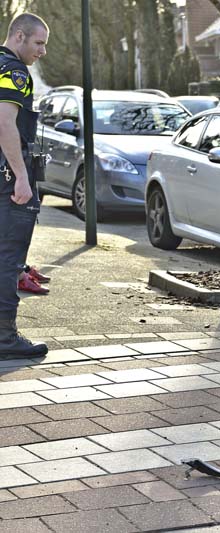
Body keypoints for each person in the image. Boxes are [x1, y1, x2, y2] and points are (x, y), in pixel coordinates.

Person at [0, 13, 49, 357]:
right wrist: (20, 176)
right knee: (8, 259)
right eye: (39, 42)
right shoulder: (14, 71)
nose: (42, 51)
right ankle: (4, 339)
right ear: (19, 36)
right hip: (6, 180)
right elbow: (4, 122)